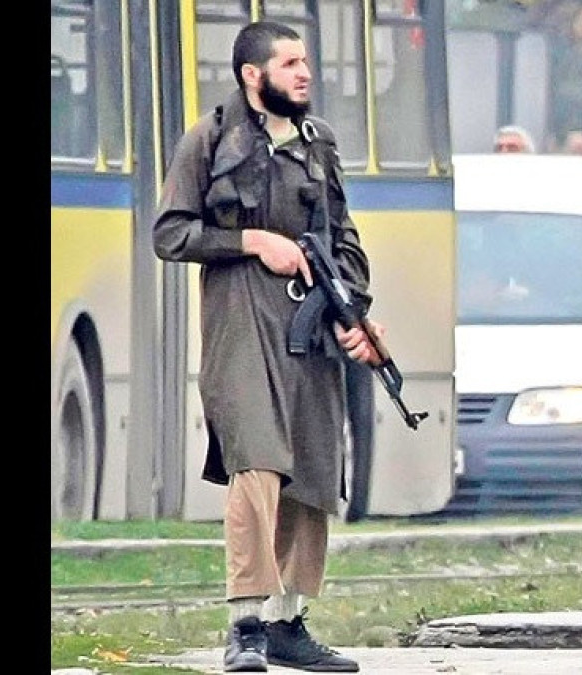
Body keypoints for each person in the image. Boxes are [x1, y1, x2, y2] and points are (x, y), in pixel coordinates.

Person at [153, 21, 383, 673]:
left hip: (307, 330)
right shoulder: (210, 139)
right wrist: (254, 242)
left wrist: (353, 310)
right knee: (257, 463)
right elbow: (170, 233)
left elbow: (345, 239)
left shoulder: (319, 144)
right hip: (239, 325)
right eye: (290, 63)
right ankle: (245, 624)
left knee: (310, 467)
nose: (305, 73)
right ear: (254, 76)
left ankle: (288, 620)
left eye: (307, 61)